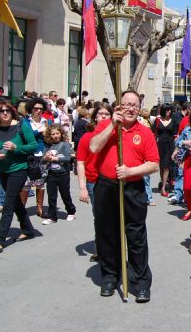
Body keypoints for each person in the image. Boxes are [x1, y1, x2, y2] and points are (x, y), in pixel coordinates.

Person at [89, 90, 159, 302]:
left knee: (136, 237)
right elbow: (93, 147)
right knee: (107, 235)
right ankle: (110, 277)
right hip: (106, 186)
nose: (131, 108)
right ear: (119, 106)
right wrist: (112, 125)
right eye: (127, 104)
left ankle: (141, 283)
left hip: (132, 187)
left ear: (139, 108)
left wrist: (131, 171)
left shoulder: (145, 132)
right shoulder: (106, 126)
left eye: (135, 105)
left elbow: (154, 164)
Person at [0, 101, 38, 253]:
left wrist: (16, 148)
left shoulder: (21, 126)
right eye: (1, 111)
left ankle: (0, 239)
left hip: (19, 169)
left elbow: (33, 145)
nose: (5, 113)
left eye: (8, 110)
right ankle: (28, 229)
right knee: (15, 200)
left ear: (12, 112)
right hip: (3, 170)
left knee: (8, 203)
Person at [77, 104, 112, 263]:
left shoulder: (115, 136)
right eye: (100, 114)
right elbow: (80, 163)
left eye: (107, 114)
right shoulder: (86, 137)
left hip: (112, 180)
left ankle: (115, 247)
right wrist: (83, 188)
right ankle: (101, 249)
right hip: (94, 182)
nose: (104, 116)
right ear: (95, 117)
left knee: (114, 216)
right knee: (100, 217)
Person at [41, 124, 76, 225]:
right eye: (53, 134)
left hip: (63, 174)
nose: (56, 136)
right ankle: (52, 216)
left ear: (61, 133)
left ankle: (71, 211)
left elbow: (68, 158)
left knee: (65, 194)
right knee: (51, 196)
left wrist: (56, 158)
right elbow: (43, 160)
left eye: (57, 133)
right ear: (49, 135)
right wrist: (46, 157)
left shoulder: (65, 144)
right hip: (51, 174)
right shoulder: (48, 145)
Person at [24, 97, 51, 217]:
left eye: (41, 109)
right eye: (36, 108)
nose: (38, 111)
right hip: (29, 155)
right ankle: (22, 207)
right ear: (31, 109)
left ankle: (39, 208)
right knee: (26, 183)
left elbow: (50, 138)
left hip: (42, 154)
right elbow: (27, 136)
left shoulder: (47, 121)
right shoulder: (26, 122)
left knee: (41, 182)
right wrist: (40, 130)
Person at [153, 103, 177, 198]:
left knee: (167, 166)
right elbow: (153, 132)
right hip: (160, 144)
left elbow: (175, 135)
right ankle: (163, 182)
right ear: (163, 111)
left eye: (170, 110)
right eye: (167, 110)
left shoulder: (174, 121)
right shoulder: (158, 120)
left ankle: (163, 187)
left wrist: (176, 148)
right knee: (161, 166)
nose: (169, 111)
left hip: (170, 144)